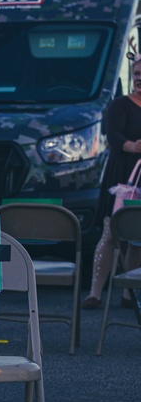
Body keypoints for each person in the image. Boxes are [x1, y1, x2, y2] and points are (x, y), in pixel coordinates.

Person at [82, 57, 141, 310]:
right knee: (110, 232)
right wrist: (133, 146)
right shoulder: (120, 105)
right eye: (136, 73)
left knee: (137, 237)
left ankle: (130, 294)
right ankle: (95, 293)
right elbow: (112, 135)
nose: (139, 77)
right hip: (123, 176)